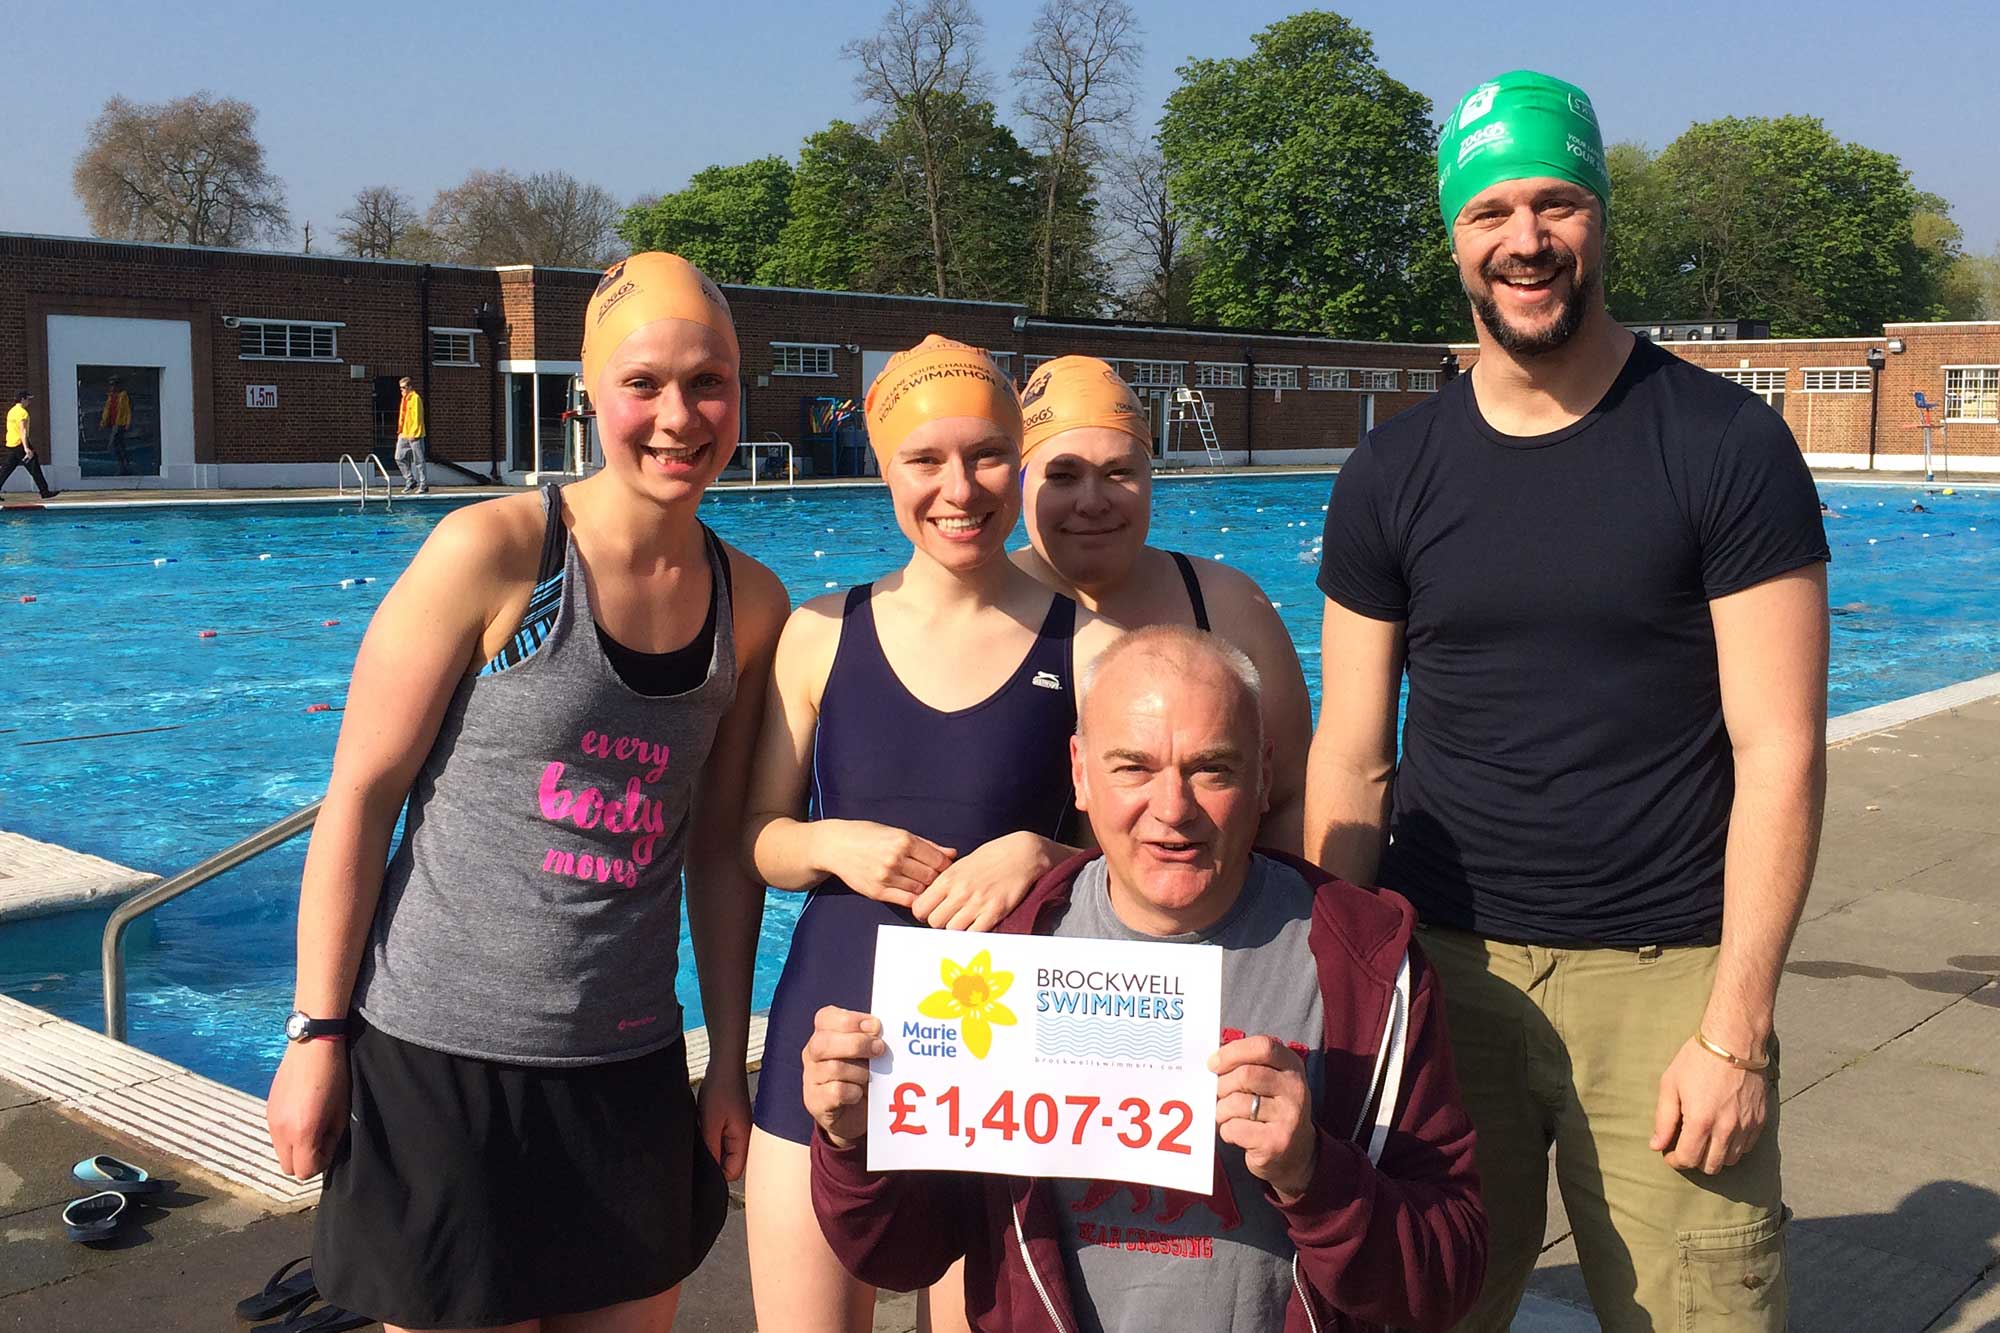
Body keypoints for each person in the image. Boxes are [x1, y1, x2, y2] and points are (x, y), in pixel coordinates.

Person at [1307, 70, 1828, 1331]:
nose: (1524, 241)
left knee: (1700, 1312)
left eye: (1554, 204)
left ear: (1598, 216)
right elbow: (1351, 753)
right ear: (1453, 240)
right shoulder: (1390, 471)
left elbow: (1781, 753)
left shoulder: (1720, 444)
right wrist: (1323, 984)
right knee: (1420, 1306)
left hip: (1665, 979)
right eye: (1490, 213)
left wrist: (1735, 1028)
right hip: (1441, 972)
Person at [265, 252, 789, 1333]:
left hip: (628, 1069)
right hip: (440, 1064)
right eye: (644, 384)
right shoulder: (495, 552)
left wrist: (726, 1063)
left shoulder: (751, 604)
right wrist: (315, 1036)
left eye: (710, 382)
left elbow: (717, 854)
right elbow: (360, 797)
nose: (679, 416)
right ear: (588, 397)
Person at [803, 626, 1488, 1333]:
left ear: (1262, 774)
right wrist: (856, 1143)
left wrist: (1315, 1173)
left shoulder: (1365, 971)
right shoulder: (995, 961)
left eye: (1211, 768)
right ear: (1079, 771)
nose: (1173, 808)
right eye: (1134, 766)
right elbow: (903, 1253)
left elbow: (1447, 1276)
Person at [743, 335, 1122, 1333]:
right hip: (824, 1049)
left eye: (986, 455)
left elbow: (1140, 862)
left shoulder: (1083, 642)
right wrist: (830, 844)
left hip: (993, 1066)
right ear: (885, 468)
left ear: (1019, 461)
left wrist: (1045, 854)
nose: (959, 486)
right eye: (925, 459)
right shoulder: (822, 632)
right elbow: (758, 836)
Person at [1009, 355, 1313, 852]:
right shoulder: (980, 608)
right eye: (1062, 476)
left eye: (1119, 471)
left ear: (1151, 479)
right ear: (1021, 484)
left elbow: (1291, 795)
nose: (1092, 501)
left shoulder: (1229, 605)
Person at [1, 390, 58, 499]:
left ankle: (44, 491)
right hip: (20, 445)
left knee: (7, 469)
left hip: (12, 444)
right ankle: (44, 492)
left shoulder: (12, 411)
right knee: (34, 467)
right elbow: (23, 431)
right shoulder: (22, 413)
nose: (29, 401)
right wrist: (27, 448)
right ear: (22, 399)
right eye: (28, 399)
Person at [394, 376, 428, 494]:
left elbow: (418, 417)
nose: (401, 390)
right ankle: (410, 480)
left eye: (403, 387)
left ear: (409, 387)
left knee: (419, 460)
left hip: (414, 434)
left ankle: (423, 484)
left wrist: (415, 433)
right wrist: (400, 431)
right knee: (399, 457)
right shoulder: (404, 399)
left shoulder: (415, 398)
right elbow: (403, 417)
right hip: (404, 433)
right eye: (400, 388)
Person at [101, 376, 132, 475]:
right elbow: (107, 410)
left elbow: (128, 411)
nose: (112, 387)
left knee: (113, 444)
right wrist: (103, 422)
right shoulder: (110, 397)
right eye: (111, 385)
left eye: (114, 385)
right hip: (112, 423)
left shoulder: (123, 396)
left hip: (120, 423)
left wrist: (128, 423)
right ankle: (124, 464)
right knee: (120, 444)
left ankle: (122, 464)